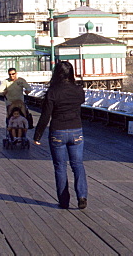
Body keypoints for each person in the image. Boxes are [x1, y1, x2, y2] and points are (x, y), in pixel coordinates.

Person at [33, 60, 88, 210]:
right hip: (76, 130)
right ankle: (82, 196)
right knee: (78, 165)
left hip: (58, 131)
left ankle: (64, 201)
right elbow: (81, 101)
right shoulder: (78, 90)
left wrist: (37, 135)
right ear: (71, 73)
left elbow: (45, 116)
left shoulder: (53, 92)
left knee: (60, 167)